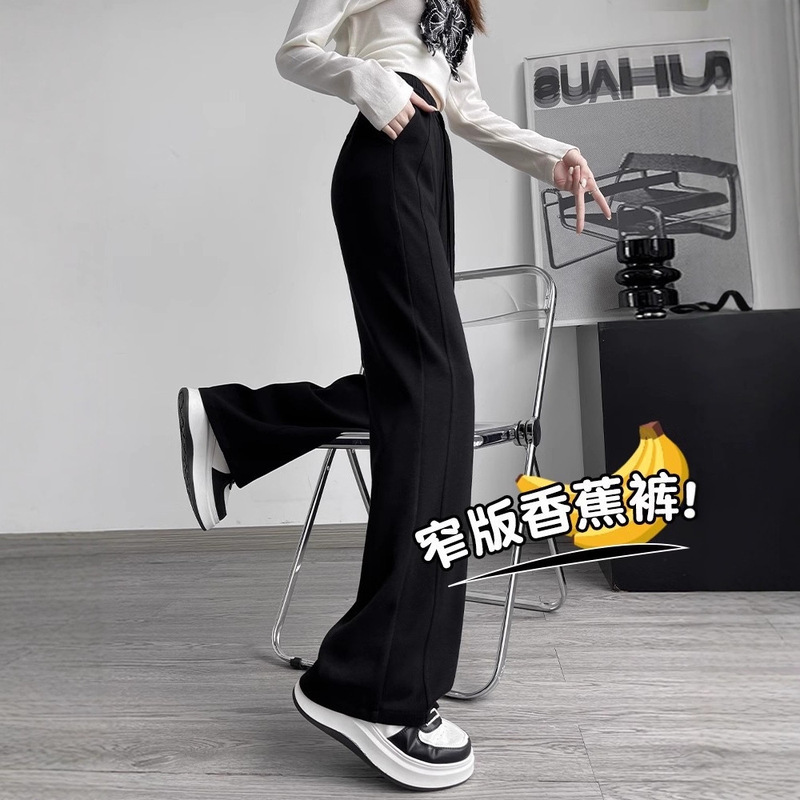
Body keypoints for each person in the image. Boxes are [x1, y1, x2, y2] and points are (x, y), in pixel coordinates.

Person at [177, 0, 611, 791]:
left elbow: (465, 107)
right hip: (385, 149)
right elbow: (296, 49)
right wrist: (366, 80)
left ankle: (235, 425)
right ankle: (372, 689)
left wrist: (554, 155)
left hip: (428, 156)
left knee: (421, 388)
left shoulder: (457, 6)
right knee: (435, 387)